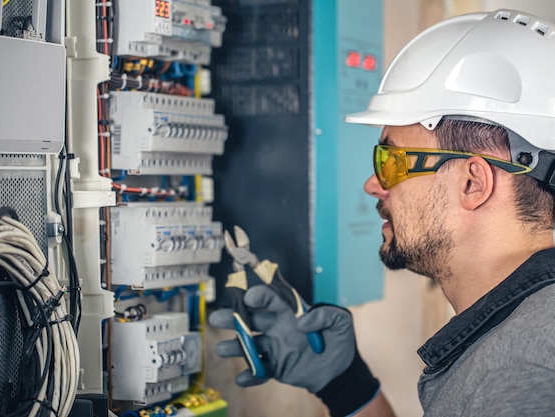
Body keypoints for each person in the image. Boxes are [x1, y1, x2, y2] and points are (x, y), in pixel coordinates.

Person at [208, 8, 555, 417]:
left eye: (390, 161)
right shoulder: (522, 336)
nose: (373, 185)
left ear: (472, 183)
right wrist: (346, 385)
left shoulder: (519, 375)